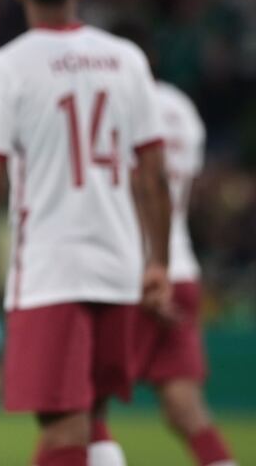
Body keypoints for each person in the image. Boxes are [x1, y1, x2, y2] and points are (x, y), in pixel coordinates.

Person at [0, 0, 172, 466]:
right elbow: (154, 175)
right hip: (118, 268)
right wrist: (157, 262)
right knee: (91, 417)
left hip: (51, 271)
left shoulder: (7, 67)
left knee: (64, 424)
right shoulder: (126, 60)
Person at [129, 81, 235, 465]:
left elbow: (137, 182)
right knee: (183, 404)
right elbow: (184, 187)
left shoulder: (114, 98)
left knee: (82, 402)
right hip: (182, 266)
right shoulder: (181, 108)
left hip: (131, 272)